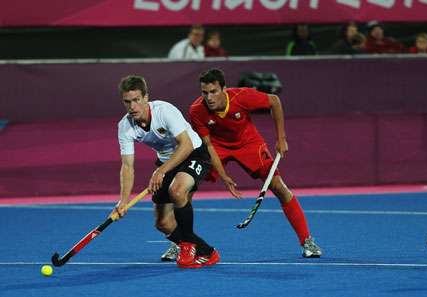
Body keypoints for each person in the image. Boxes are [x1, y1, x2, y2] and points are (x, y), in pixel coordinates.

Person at [189, 68, 322, 258]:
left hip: (248, 143)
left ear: (224, 89)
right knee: (187, 187)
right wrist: (224, 177)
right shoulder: (196, 110)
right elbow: (208, 146)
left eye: (214, 91)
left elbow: (274, 101)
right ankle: (181, 241)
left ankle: (307, 241)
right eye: (205, 92)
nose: (209, 97)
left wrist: (281, 138)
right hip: (217, 147)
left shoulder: (242, 97)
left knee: (279, 186)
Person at [111, 75, 219, 269]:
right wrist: (123, 201)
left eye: (136, 100)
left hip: (193, 153)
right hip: (167, 161)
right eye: (127, 102)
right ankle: (206, 252)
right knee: (163, 223)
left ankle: (186, 247)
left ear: (146, 97)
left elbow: (185, 145)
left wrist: (160, 171)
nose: (132, 107)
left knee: (177, 191)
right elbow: (127, 166)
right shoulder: (125, 127)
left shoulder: (164, 111)